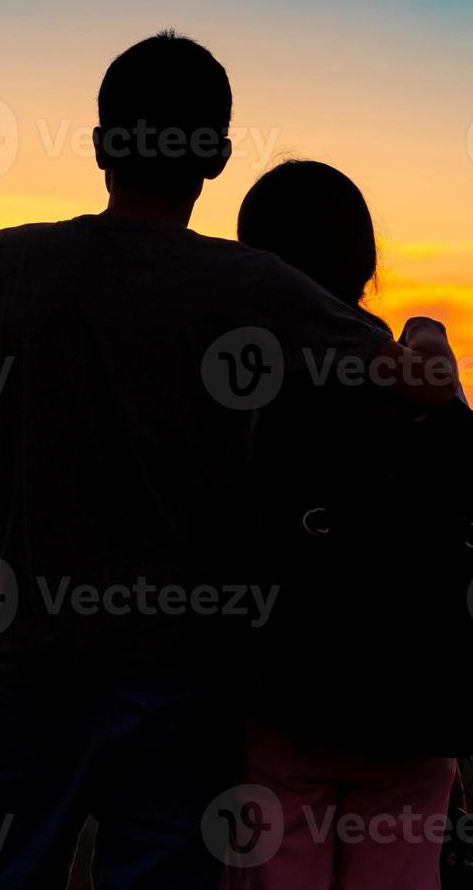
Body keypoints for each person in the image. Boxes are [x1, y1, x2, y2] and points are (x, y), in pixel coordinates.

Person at [0, 32, 461, 889]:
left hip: (31, 674)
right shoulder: (247, 285)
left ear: (102, 145)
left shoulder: (9, 265)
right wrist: (428, 327)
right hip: (183, 687)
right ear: (216, 157)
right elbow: (424, 390)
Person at [224, 160, 467, 890]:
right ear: (365, 263)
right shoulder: (424, 386)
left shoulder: (247, 386)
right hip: (417, 722)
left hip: (282, 712)